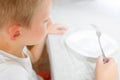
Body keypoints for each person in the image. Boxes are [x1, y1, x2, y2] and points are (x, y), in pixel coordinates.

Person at [0, 0, 118, 80]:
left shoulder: (11, 44)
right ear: (16, 33)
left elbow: (32, 57)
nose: (49, 22)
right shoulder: (13, 75)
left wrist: (44, 31)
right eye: (45, 20)